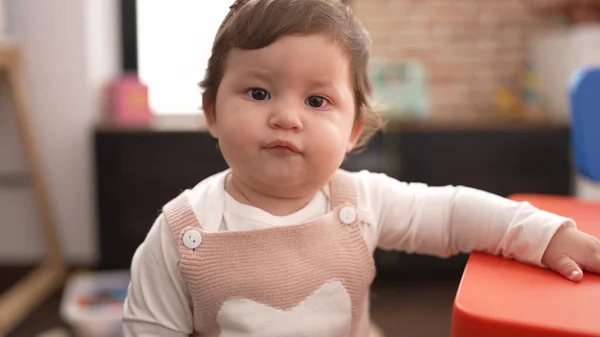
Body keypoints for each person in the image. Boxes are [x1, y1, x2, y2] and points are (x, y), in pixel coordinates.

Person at [122, 0, 600, 336]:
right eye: (259, 92)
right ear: (211, 112)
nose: (286, 117)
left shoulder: (360, 201)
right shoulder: (181, 233)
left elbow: (455, 213)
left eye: (316, 100)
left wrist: (545, 235)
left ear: (353, 130)